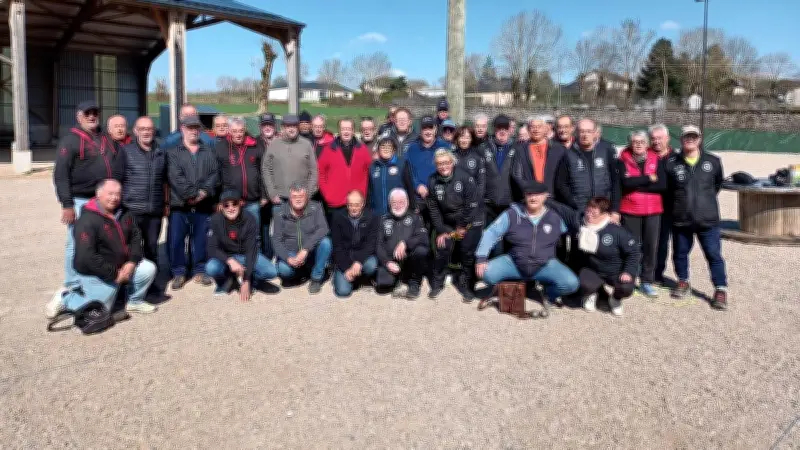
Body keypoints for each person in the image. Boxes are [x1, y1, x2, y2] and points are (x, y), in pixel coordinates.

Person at [46, 179, 158, 321]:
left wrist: (132, 262)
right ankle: (66, 298)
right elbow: (86, 257)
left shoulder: (126, 213)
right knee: (100, 309)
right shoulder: (87, 220)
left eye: (118, 194)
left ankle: (134, 301)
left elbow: (136, 237)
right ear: (98, 194)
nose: (114, 198)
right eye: (110, 194)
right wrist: (114, 275)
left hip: (121, 266)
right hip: (97, 272)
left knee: (147, 268)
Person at [475, 181, 579, 306]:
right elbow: (491, 233)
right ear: (525, 196)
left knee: (571, 283)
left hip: (545, 264)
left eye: (538, 194)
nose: (533, 198)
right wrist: (481, 258)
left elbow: (575, 230)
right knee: (486, 273)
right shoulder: (512, 214)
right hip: (515, 263)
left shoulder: (555, 217)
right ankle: (509, 289)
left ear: (546, 196)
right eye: (529, 194)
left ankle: (548, 293)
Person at [54, 100, 118, 288]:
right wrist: (67, 204)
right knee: (76, 243)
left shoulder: (105, 138)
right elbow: (61, 175)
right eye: (87, 113)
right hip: (81, 200)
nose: (91, 117)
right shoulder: (70, 140)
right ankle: (73, 284)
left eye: (95, 113)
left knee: (102, 241)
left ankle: (96, 278)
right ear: (78, 116)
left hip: (103, 201)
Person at [665, 125, 728, 309]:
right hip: (681, 219)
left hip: (707, 220)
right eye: (686, 136)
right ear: (681, 139)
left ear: (700, 139)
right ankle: (683, 281)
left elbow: (717, 185)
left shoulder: (713, 161)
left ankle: (720, 289)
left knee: (714, 255)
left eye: (694, 136)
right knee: (680, 253)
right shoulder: (671, 163)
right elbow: (669, 191)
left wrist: (703, 204)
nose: (690, 139)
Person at [546, 196, 641, 316]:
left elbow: (633, 252)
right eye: (588, 211)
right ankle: (591, 294)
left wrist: (628, 271)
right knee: (583, 283)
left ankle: (615, 299)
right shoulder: (579, 221)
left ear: (605, 214)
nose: (589, 216)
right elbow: (561, 209)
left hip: (615, 270)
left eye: (594, 214)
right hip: (593, 269)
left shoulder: (616, 231)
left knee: (626, 288)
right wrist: (543, 198)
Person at [166, 115, 219, 290]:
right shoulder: (174, 152)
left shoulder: (208, 151)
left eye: (197, 128)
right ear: (182, 129)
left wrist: (203, 192)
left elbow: (215, 175)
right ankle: (179, 272)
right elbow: (175, 177)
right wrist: (190, 195)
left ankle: (200, 270)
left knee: (201, 239)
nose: (194, 131)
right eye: (190, 128)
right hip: (180, 205)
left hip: (203, 205)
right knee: (177, 240)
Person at [112, 116, 168, 278]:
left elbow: (165, 181)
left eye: (149, 129)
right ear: (135, 131)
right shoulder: (125, 152)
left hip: (154, 211)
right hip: (132, 210)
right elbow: (117, 180)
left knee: (152, 248)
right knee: (130, 249)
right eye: (142, 129)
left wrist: (165, 203)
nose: (146, 132)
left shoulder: (161, 152)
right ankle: (128, 282)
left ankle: (152, 283)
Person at [616, 131, 666, 298]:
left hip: (653, 209)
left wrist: (636, 182)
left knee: (651, 246)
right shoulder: (622, 159)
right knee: (631, 245)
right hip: (630, 208)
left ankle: (646, 280)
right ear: (630, 143)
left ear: (647, 144)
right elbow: (624, 183)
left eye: (642, 141)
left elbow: (661, 185)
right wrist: (648, 178)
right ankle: (629, 275)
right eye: (635, 141)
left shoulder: (656, 159)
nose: (638, 144)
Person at [427, 150, 483, 301]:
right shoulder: (432, 180)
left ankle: (466, 285)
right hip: (447, 224)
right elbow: (433, 208)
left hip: (468, 221)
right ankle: (438, 283)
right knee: (442, 247)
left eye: (446, 163)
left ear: (452, 163)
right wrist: (441, 230)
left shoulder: (465, 178)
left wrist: (462, 226)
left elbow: (471, 205)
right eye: (440, 164)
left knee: (466, 252)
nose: (443, 166)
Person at [206, 190, 279, 301]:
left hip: (245, 255)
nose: (231, 208)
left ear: (240, 203)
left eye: (234, 203)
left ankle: (252, 281)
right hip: (226, 257)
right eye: (226, 205)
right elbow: (211, 248)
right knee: (211, 268)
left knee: (271, 271)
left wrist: (246, 280)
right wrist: (230, 261)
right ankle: (226, 280)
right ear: (221, 206)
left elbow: (251, 250)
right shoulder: (215, 220)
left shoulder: (249, 218)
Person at [272, 182, 332, 293]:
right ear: (290, 198)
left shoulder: (316, 207)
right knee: (284, 270)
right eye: (295, 197)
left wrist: (305, 249)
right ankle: (301, 272)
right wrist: (287, 258)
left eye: (301, 196)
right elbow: (276, 240)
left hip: (310, 252)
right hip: (291, 253)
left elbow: (324, 229)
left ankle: (316, 278)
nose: (298, 199)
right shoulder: (279, 212)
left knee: (326, 242)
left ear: (307, 197)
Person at [556, 118, 619, 215]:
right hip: (579, 210)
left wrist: (614, 210)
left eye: (589, 131)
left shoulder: (606, 152)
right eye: (582, 132)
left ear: (595, 133)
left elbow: (616, 182)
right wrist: (574, 202)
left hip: (604, 209)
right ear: (576, 133)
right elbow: (561, 184)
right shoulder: (568, 155)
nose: (585, 135)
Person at [375, 189, 429, 299]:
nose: (398, 205)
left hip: (410, 259)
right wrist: (386, 262)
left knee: (421, 251)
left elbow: (423, 237)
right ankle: (397, 278)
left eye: (401, 202)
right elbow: (378, 245)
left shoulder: (415, 218)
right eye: (394, 202)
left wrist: (405, 243)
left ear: (407, 202)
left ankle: (415, 282)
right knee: (382, 284)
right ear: (390, 204)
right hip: (391, 260)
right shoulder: (383, 219)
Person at [215, 116, 267, 229]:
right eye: (234, 131)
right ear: (229, 131)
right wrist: (218, 200)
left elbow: (263, 172)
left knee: (253, 235)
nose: (238, 134)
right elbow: (217, 175)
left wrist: (264, 195)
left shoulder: (256, 145)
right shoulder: (221, 147)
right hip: (230, 203)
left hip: (252, 201)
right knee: (232, 236)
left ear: (245, 130)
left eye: (241, 131)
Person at [317, 118, 373, 220]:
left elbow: (369, 172)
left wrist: (363, 193)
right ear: (339, 130)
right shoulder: (329, 149)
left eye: (349, 129)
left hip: (356, 202)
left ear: (353, 130)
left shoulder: (362, 149)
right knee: (336, 234)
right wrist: (327, 194)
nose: (346, 132)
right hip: (335, 202)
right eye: (343, 129)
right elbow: (320, 172)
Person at [330, 191, 380, 298]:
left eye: (357, 205)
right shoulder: (338, 218)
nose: (353, 208)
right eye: (351, 205)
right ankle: (340, 274)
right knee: (343, 292)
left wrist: (359, 262)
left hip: (362, 257)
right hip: (344, 257)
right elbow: (337, 247)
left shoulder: (372, 218)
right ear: (347, 204)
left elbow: (370, 244)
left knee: (372, 265)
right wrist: (346, 268)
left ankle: (359, 277)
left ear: (363, 204)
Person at [261, 114, 318, 206]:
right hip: (280, 198)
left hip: (301, 197)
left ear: (298, 127)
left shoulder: (306, 144)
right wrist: (272, 193)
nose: (291, 129)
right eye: (288, 126)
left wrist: (308, 193)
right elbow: (266, 169)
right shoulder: (274, 144)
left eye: (294, 126)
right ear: (283, 127)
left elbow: (313, 170)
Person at [405, 115, 450, 218]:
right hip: (418, 199)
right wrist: (417, 186)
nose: (428, 131)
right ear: (420, 131)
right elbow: (409, 171)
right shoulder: (412, 148)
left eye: (431, 128)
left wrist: (436, 187)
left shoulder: (445, 147)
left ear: (435, 130)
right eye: (425, 128)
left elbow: (450, 170)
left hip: (440, 197)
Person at [649, 124, 677, 286]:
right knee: (645, 241)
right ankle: (644, 270)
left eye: (660, 138)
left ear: (667, 139)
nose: (656, 141)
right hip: (648, 206)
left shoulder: (676, 157)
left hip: (668, 207)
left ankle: (658, 273)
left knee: (662, 241)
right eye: (653, 138)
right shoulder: (645, 155)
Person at [482, 114, 518, 243]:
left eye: (505, 128)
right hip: (488, 204)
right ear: (494, 129)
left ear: (510, 129)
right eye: (499, 128)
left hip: (509, 204)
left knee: (509, 240)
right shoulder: (484, 148)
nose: (502, 131)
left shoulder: (518, 148)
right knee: (489, 239)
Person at [512, 116, 567, 195]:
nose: (536, 130)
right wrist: (531, 191)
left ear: (545, 129)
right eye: (533, 127)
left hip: (553, 196)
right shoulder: (520, 150)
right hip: (530, 196)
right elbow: (517, 175)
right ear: (528, 129)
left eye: (539, 127)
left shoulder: (558, 149)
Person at [366, 136, 414, 216]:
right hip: (377, 213)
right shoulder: (373, 167)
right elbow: (369, 191)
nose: (386, 149)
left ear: (394, 149)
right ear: (378, 149)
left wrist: (412, 207)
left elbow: (409, 187)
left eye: (389, 147)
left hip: (397, 213)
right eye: (383, 146)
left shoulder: (402, 164)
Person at [255, 112, 278, 258]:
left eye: (270, 125)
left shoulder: (283, 141)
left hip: (280, 193)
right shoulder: (255, 143)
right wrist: (264, 194)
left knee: (281, 226)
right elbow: (255, 171)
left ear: (275, 126)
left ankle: (281, 255)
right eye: (265, 125)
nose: (267, 127)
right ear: (260, 127)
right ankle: (266, 255)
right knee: (264, 226)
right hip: (262, 193)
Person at [452, 126, 486, 201]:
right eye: (462, 137)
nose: (464, 140)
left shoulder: (478, 158)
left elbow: (481, 183)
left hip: (472, 200)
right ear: (457, 138)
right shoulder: (451, 156)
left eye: (467, 137)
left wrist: (476, 200)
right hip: (454, 201)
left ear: (471, 139)